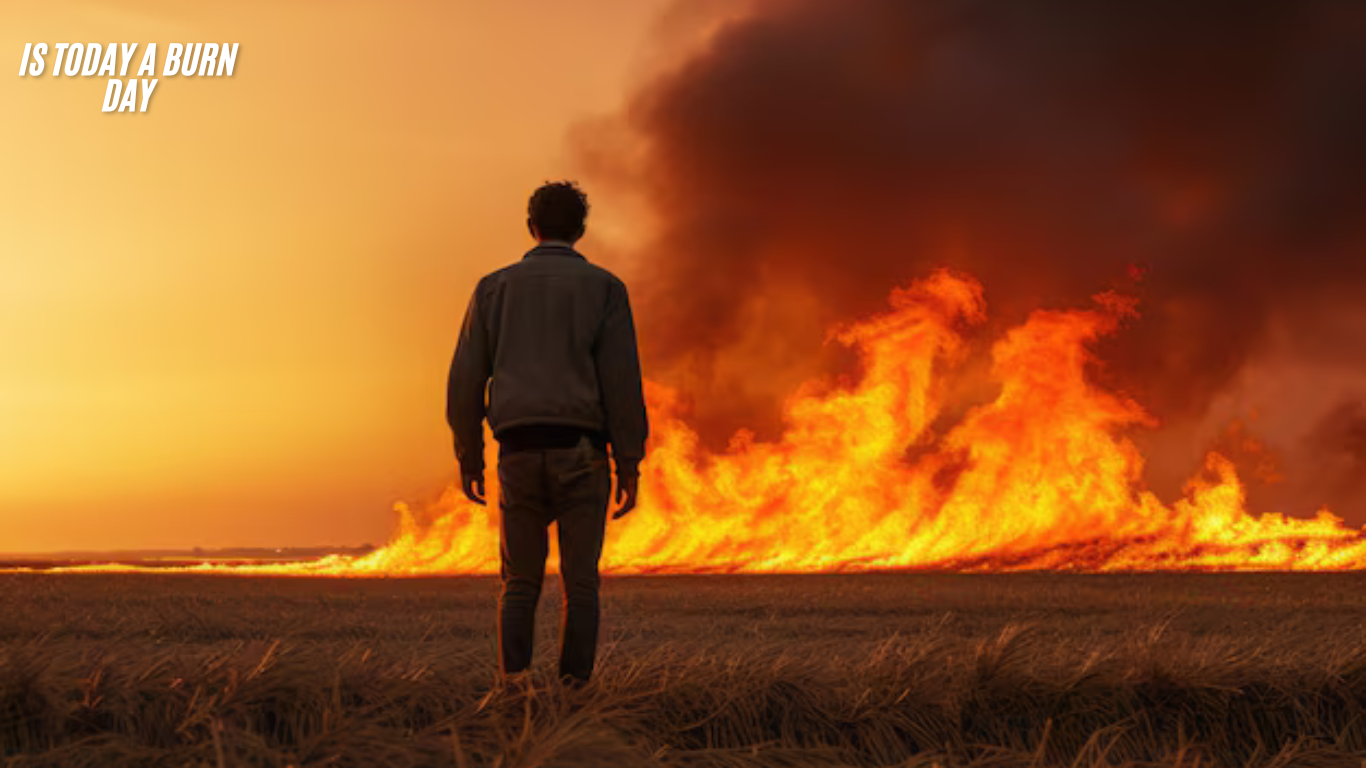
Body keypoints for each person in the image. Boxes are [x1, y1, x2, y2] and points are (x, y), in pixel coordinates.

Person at [446, 180, 648, 684]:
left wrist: (470, 456)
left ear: (530, 226)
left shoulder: (494, 289)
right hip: (581, 452)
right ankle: (574, 694)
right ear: (581, 229)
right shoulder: (605, 289)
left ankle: (514, 692)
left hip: (517, 452)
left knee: (519, 584)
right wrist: (628, 462)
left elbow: (466, 380)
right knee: (580, 586)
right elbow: (621, 383)